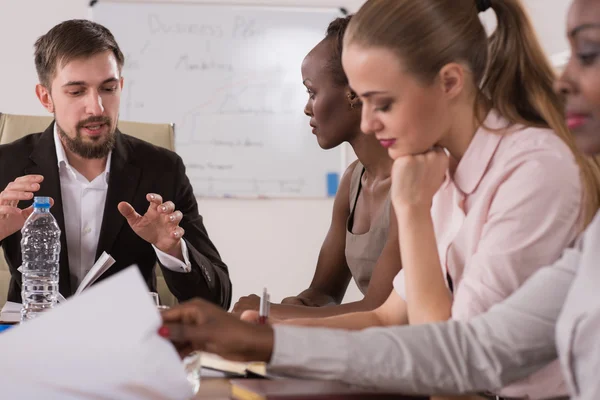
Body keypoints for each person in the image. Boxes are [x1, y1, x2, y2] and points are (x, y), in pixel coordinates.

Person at [164, 0, 600, 398]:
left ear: (449, 82)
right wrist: (266, 341)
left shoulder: (533, 170)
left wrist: (411, 211)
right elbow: (388, 317)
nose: (369, 124)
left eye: (383, 103)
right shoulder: (440, 168)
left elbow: (454, 356)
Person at [0, 20, 231, 308]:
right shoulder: (6, 165)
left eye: (108, 88)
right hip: (31, 337)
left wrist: (173, 249)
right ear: (46, 97)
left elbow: (218, 299)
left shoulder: (162, 169)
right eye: (76, 92)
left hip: (129, 342)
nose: (96, 107)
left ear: (120, 86)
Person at [232, 16, 402, 319]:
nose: (307, 107)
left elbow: (379, 309)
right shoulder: (353, 179)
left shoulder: (414, 180)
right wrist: (292, 307)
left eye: (312, 92)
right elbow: (324, 293)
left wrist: (272, 314)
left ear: (356, 94)